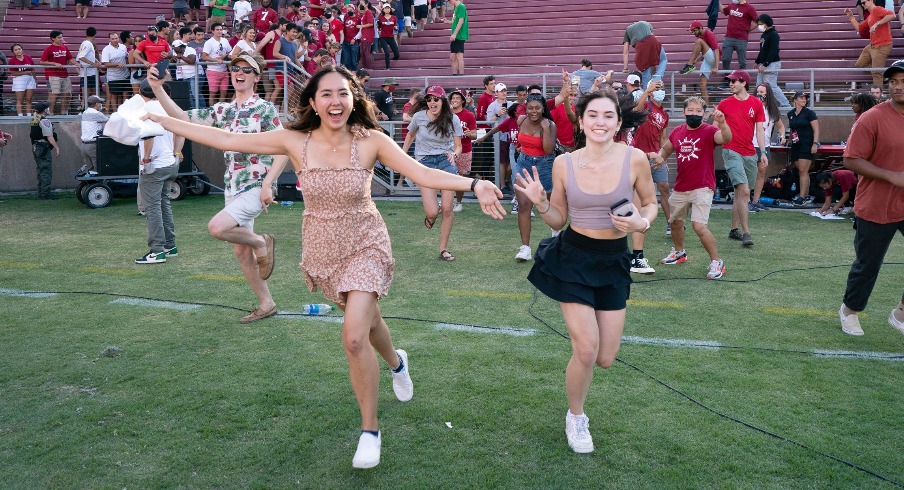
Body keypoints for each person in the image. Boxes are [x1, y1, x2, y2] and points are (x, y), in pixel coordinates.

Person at [143, 64, 505, 468]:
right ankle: (397, 362)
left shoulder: (372, 141)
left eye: (343, 93)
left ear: (354, 99)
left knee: (353, 337)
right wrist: (164, 118)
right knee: (368, 322)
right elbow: (227, 137)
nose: (336, 102)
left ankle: (370, 430)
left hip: (366, 241)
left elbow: (421, 171)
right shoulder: (293, 139)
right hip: (322, 247)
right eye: (327, 94)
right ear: (313, 102)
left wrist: (473, 183)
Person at [514, 90, 657, 454]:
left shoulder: (636, 159)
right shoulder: (565, 164)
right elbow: (558, 219)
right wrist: (543, 203)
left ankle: (578, 405)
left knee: (606, 358)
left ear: (618, 123)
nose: (600, 122)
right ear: (581, 121)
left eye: (608, 116)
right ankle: (576, 416)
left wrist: (642, 221)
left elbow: (652, 203)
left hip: (613, 262)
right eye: (592, 115)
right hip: (573, 259)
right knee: (587, 348)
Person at [148, 54, 285, 322]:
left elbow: (284, 149)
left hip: (257, 185)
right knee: (240, 251)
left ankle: (262, 241)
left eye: (247, 69)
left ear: (257, 77)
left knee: (217, 228)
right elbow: (183, 118)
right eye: (236, 69)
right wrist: (157, 88)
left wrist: (269, 185)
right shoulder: (223, 110)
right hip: (233, 187)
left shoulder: (265, 109)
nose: (239, 72)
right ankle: (267, 303)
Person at [838, 60, 904, 337]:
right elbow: (851, 160)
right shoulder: (872, 117)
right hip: (877, 205)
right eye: (894, 82)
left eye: (903, 81)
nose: (898, 86)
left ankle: (900, 313)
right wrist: (892, 176)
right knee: (868, 265)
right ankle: (850, 311)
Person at [654, 96, 732, 279]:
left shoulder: (710, 130)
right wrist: (660, 158)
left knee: (699, 226)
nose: (694, 114)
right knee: (674, 223)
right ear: (683, 112)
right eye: (690, 110)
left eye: (698, 111)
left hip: (702, 187)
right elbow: (666, 149)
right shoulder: (678, 132)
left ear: (704, 114)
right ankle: (679, 253)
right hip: (681, 186)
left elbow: (726, 138)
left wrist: (722, 123)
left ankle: (716, 262)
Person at [401, 85, 464, 261]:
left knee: (447, 208)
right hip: (425, 163)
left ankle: (443, 249)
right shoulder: (419, 117)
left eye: (435, 99)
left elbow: (458, 146)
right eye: (429, 99)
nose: (432, 102)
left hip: (445, 162)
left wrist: (454, 154)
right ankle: (430, 218)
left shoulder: (453, 119)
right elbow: (410, 135)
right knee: (432, 212)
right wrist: (402, 155)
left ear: (442, 100)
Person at [716, 69, 766, 247]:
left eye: (733, 81)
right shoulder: (724, 104)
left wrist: (763, 151)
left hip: (750, 152)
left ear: (744, 82)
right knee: (744, 191)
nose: (730, 84)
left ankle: (733, 230)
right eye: (729, 82)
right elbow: (714, 128)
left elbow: (760, 130)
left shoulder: (756, 104)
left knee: (741, 192)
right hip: (731, 150)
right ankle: (746, 233)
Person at [511, 94, 557, 261]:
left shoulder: (550, 125)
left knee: (548, 207)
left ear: (543, 108)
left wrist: (545, 129)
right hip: (524, 164)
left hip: (544, 166)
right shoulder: (521, 120)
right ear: (526, 108)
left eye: (537, 108)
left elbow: (548, 150)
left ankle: (556, 239)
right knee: (523, 206)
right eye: (530, 108)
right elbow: (521, 141)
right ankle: (525, 248)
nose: (534, 111)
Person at [632, 79, 670, 238]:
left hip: (656, 154)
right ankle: (637, 222)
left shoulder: (665, 114)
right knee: (636, 191)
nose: (659, 90)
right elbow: (636, 110)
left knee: (664, 186)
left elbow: (663, 138)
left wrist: (663, 157)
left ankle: (671, 221)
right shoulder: (647, 105)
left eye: (661, 87)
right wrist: (647, 91)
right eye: (656, 88)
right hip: (640, 154)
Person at [751, 83, 786, 210]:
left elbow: (781, 126)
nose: (759, 94)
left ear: (768, 93)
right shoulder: (751, 106)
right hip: (750, 143)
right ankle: (745, 200)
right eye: (758, 91)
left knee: (761, 173)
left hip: (764, 145)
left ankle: (755, 201)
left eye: (762, 92)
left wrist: (782, 136)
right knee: (749, 174)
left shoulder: (772, 110)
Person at [845, 0, 895, 88]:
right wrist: (851, 17)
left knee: (876, 72)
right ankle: (883, 76)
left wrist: (877, 24)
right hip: (873, 45)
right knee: (860, 65)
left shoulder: (877, 9)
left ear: (871, 1)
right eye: (861, 3)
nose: (862, 5)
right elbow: (859, 29)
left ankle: (878, 98)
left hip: (882, 45)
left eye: (864, 2)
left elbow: (892, 15)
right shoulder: (870, 15)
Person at [787, 91, 820, 205]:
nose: (803, 100)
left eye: (805, 98)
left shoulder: (810, 113)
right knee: (799, 169)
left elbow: (816, 129)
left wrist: (815, 143)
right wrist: (789, 140)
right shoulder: (790, 113)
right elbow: (792, 129)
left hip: (807, 143)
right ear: (795, 100)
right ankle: (805, 194)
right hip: (796, 144)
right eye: (801, 98)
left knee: (803, 170)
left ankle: (802, 196)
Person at [753, 14, 790, 108]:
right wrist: (757, 61)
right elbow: (762, 50)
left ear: (766, 23)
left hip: (772, 63)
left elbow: (774, 51)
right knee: (759, 86)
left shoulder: (774, 35)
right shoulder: (764, 34)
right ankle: (760, 105)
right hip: (763, 63)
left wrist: (766, 63)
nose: (759, 26)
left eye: (761, 24)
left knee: (771, 87)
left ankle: (786, 105)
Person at [40, 30, 80, 115]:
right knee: (54, 94)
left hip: (64, 74)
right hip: (53, 74)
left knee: (67, 94)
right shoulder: (49, 49)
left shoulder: (64, 47)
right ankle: (51, 113)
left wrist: (76, 63)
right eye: (59, 37)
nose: (61, 39)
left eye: (61, 37)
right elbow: (42, 61)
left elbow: (70, 58)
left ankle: (63, 113)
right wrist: (54, 63)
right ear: (53, 38)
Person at [680, 21, 721, 105]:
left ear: (700, 28)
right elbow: (707, 52)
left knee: (698, 41)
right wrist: (697, 60)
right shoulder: (700, 36)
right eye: (692, 31)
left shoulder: (709, 34)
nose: (693, 33)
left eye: (694, 30)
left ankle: (689, 65)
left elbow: (716, 50)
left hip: (714, 58)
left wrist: (716, 66)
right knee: (702, 85)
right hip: (708, 59)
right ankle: (706, 107)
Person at [449, 88, 476, 211]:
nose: (455, 100)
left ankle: (458, 202)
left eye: (457, 98)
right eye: (453, 98)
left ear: (463, 101)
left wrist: (469, 134)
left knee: (461, 177)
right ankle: (447, 200)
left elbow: (475, 135)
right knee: (447, 176)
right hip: (449, 149)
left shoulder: (469, 115)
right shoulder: (447, 114)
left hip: (465, 150)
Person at [718, 0, 757, 82]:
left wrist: (747, 30)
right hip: (729, 37)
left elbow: (757, 22)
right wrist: (717, 2)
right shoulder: (732, 5)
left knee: (742, 62)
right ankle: (728, 80)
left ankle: (743, 81)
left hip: (741, 39)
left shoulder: (749, 8)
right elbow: (724, 11)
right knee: (725, 59)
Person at [622, 20, 667, 89]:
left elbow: (626, 51)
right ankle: (657, 78)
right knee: (663, 59)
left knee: (645, 73)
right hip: (653, 40)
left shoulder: (628, 30)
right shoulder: (645, 23)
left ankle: (646, 96)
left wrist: (625, 68)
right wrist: (653, 66)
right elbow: (651, 47)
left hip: (641, 46)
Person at [29, 102, 60, 200]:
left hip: (36, 147)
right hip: (43, 147)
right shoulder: (44, 121)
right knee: (46, 170)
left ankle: (41, 192)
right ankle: (45, 194)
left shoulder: (34, 119)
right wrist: (57, 147)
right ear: (45, 110)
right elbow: (49, 137)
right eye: (47, 108)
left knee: (40, 170)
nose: (49, 109)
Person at [202, 22, 232, 106]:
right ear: (212, 31)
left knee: (224, 92)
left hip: (224, 70)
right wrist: (215, 60)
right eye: (217, 30)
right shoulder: (209, 42)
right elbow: (204, 57)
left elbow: (230, 52)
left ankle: (220, 110)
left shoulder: (225, 40)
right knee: (213, 93)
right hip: (213, 71)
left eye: (221, 29)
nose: (219, 31)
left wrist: (224, 56)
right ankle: (212, 112)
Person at [102, 32, 131, 111]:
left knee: (126, 94)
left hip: (125, 75)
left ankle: (124, 112)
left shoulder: (123, 47)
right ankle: (115, 113)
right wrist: (117, 64)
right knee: (114, 96)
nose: (115, 40)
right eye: (113, 39)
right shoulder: (106, 49)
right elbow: (106, 63)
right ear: (109, 40)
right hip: (113, 77)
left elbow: (126, 58)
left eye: (116, 38)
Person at [79, 95, 107, 170]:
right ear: (97, 104)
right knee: (100, 169)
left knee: (89, 170)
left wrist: (100, 112)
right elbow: (109, 121)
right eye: (100, 103)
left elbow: (93, 118)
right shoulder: (97, 114)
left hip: (83, 146)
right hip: (92, 146)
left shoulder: (85, 113)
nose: (101, 104)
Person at [9, 43, 36, 117]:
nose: (18, 51)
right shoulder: (12, 61)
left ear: (22, 49)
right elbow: (13, 73)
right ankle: (20, 116)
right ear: (13, 52)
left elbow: (33, 69)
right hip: (19, 80)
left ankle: (29, 115)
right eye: (15, 50)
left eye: (19, 49)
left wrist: (35, 79)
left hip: (30, 79)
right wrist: (25, 72)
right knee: (20, 99)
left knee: (29, 99)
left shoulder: (28, 57)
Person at [377, 3, 400, 70]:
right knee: (387, 53)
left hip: (391, 37)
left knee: (397, 55)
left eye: (388, 8)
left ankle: (392, 61)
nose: (387, 10)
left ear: (390, 9)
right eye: (385, 8)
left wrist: (396, 28)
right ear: (383, 10)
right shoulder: (380, 18)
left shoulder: (394, 18)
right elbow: (378, 27)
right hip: (383, 37)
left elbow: (396, 27)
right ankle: (387, 67)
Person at [448, 0, 467, 75]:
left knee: (459, 56)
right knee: (452, 57)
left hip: (459, 35)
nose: (450, 2)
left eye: (450, 1)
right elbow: (455, 21)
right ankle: (454, 75)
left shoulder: (461, 7)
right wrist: (448, 22)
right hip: (456, 35)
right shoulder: (457, 8)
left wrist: (454, 34)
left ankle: (461, 75)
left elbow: (461, 21)